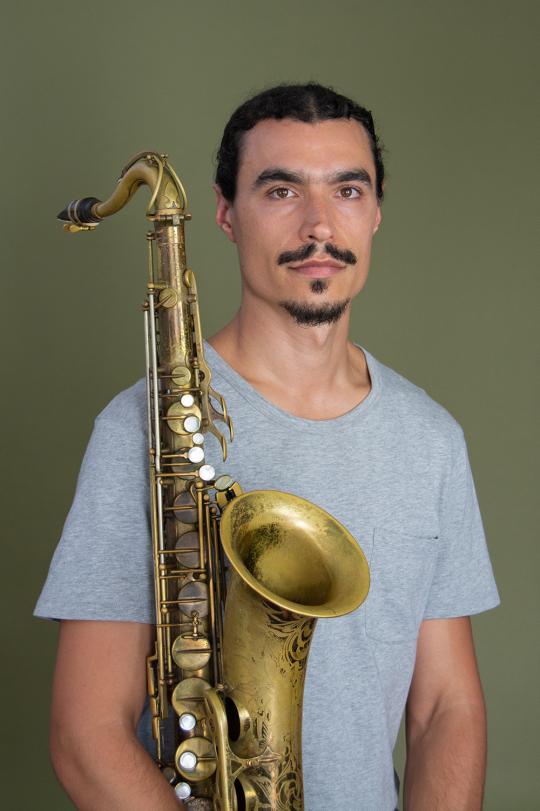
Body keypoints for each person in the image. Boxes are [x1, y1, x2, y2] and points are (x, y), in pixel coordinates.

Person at [35, 83, 499, 811]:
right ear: (225, 213)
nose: (320, 225)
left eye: (347, 189)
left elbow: (446, 707)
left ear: (376, 211)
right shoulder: (138, 428)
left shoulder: (431, 439)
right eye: (281, 190)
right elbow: (84, 732)